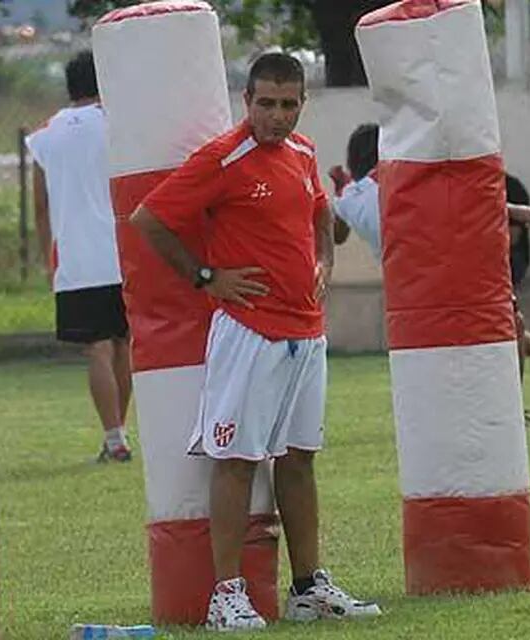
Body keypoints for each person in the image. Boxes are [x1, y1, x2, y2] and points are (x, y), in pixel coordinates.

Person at [129, 53, 380, 632]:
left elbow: (321, 215)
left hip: (306, 332)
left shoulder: (304, 153)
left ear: (302, 103)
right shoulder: (223, 157)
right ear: (248, 101)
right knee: (237, 461)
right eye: (266, 103)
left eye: (288, 104)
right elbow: (149, 219)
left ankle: (308, 588)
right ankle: (226, 595)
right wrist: (206, 277)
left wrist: (324, 260)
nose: (277, 115)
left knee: (298, 459)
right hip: (249, 332)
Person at [329, 123, 530, 384]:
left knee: (479, 334)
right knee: (504, 322)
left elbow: (337, 235)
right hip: (445, 269)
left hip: (407, 288)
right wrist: (512, 210)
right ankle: (514, 398)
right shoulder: (398, 180)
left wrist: (341, 191)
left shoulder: (349, 197)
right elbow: (458, 199)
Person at [27, 51, 133, 463]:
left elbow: (40, 207)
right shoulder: (116, 125)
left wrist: (45, 256)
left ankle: (113, 437)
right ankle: (119, 436)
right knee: (123, 344)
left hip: (75, 257)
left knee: (97, 349)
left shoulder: (44, 136)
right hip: (121, 252)